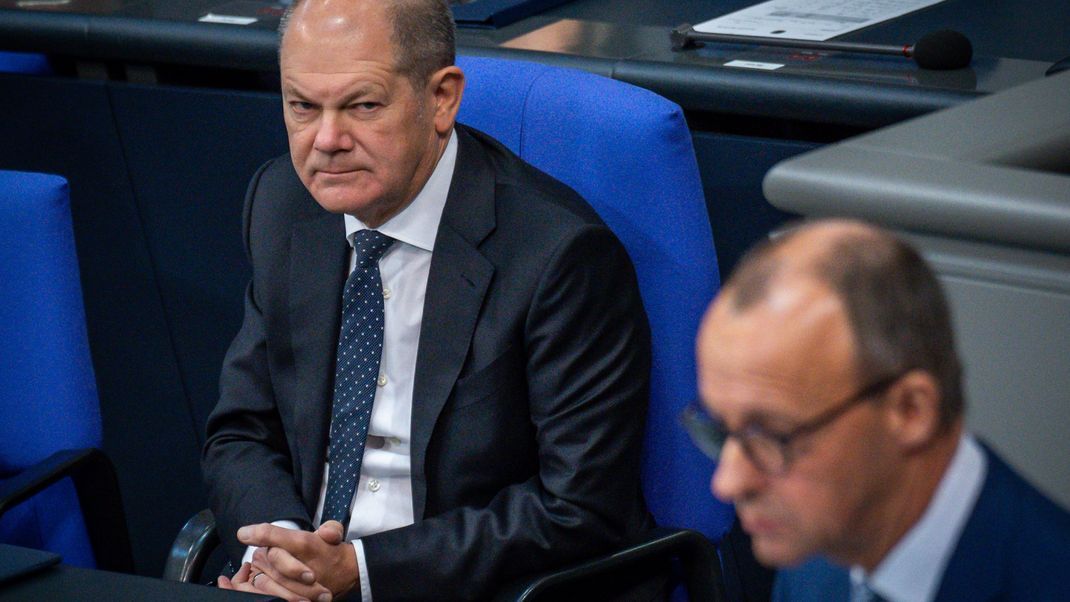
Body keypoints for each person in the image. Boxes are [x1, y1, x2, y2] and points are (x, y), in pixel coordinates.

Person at [201, 0, 654, 600]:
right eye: (302, 106)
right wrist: (283, 550)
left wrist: (360, 573)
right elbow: (240, 432)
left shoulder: (557, 256)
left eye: (362, 105)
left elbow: (578, 506)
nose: (327, 140)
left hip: (468, 584)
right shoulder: (284, 205)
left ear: (441, 98)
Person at [687, 219, 1070, 601]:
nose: (727, 483)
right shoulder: (817, 553)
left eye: (771, 436)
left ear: (910, 411)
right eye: (720, 431)